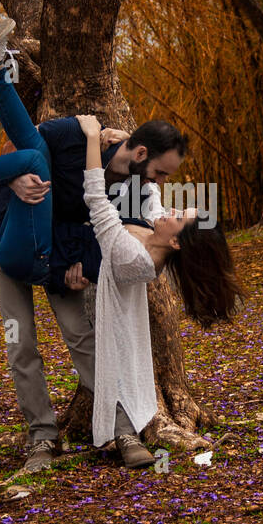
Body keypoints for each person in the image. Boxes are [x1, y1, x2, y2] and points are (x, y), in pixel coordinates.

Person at [0, 18, 192, 474]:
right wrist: (12, 177)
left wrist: (85, 267)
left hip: (61, 256)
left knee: (82, 336)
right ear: (143, 153)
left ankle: (123, 427)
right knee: (20, 338)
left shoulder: (134, 194)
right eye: (163, 173)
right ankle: (42, 437)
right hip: (12, 230)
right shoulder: (77, 135)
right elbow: (23, 149)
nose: (162, 183)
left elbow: (114, 240)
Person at [75, 113, 244, 467]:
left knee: (103, 368)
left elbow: (95, 198)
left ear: (178, 242)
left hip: (106, 320)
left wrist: (92, 138)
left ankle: (123, 433)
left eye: (179, 214)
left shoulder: (132, 253)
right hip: (122, 323)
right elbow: (151, 197)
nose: (173, 209)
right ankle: (126, 431)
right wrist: (136, 150)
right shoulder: (158, 239)